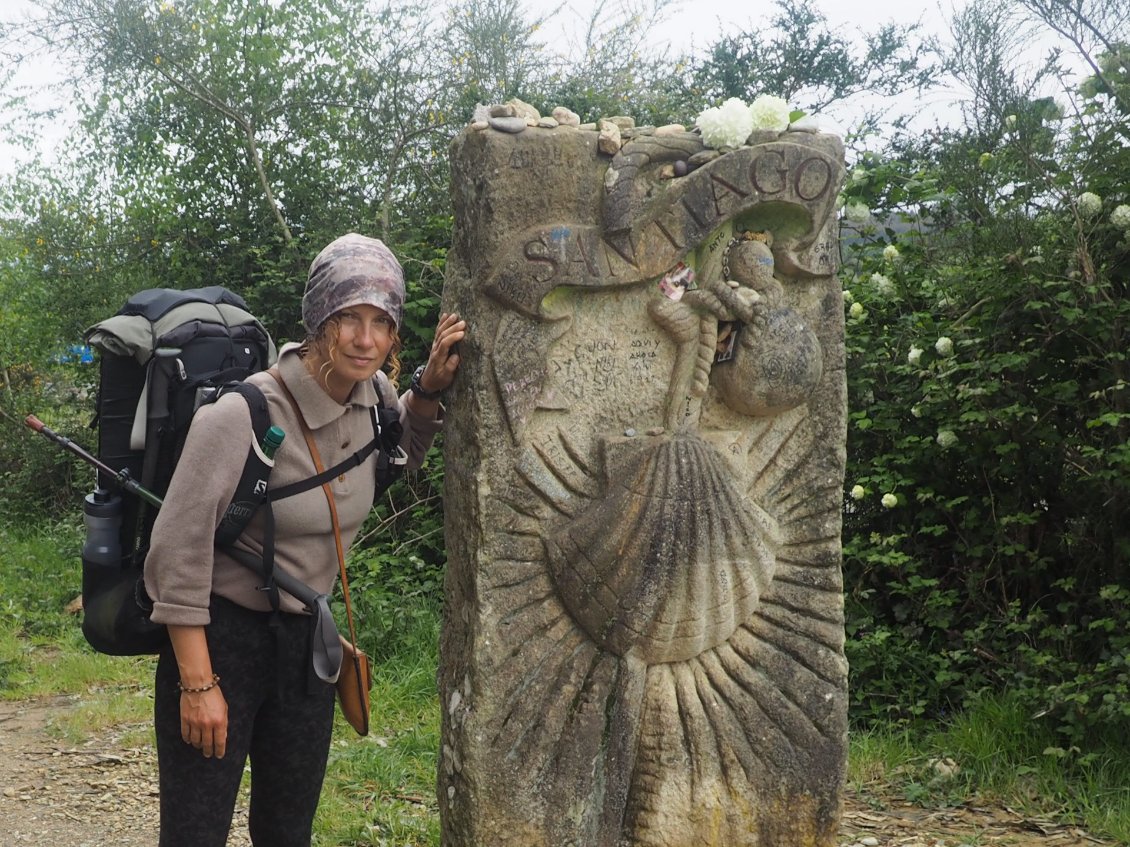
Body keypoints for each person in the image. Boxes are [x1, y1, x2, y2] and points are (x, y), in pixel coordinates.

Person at [143, 233, 465, 847]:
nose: (365, 339)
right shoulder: (240, 416)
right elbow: (176, 550)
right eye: (348, 319)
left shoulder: (375, 400)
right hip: (220, 640)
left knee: (288, 830)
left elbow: (393, 460)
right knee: (195, 830)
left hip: (306, 643)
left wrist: (426, 395)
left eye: (381, 322)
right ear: (319, 321)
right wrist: (198, 683)